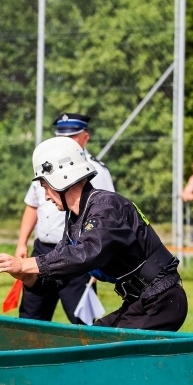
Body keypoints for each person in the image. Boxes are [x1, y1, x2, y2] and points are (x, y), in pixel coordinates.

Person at [0, 136, 187, 332]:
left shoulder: (106, 207)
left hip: (162, 301)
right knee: (91, 341)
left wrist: (26, 263)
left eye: (46, 187)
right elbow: (61, 274)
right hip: (140, 301)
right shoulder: (76, 219)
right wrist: (26, 276)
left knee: (103, 356)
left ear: (61, 179)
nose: (45, 197)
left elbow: (86, 253)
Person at [15, 112, 115, 323]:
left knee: (83, 323)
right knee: (30, 318)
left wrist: (97, 261)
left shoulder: (96, 170)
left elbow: (107, 218)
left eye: (72, 137)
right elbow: (32, 205)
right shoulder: (46, 165)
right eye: (61, 137)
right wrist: (22, 242)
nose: (66, 142)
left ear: (85, 137)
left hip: (77, 254)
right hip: (43, 249)